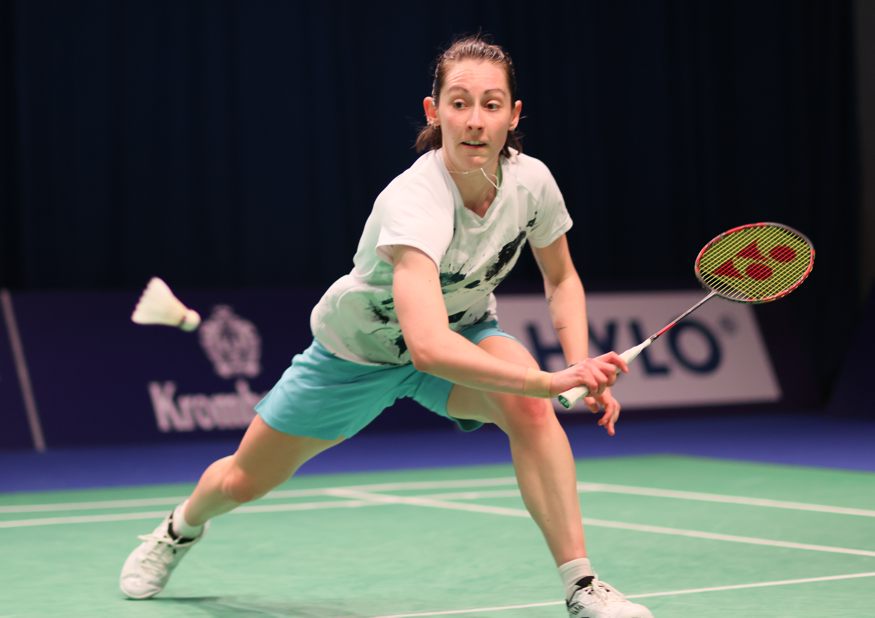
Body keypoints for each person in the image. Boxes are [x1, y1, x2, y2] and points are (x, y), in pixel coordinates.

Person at [120, 35, 654, 618]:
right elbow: (425, 347)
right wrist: (552, 381)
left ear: (513, 114)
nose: (475, 121)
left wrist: (579, 366)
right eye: (459, 102)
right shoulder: (415, 200)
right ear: (434, 111)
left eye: (491, 104)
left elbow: (562, 279)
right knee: (244, 481)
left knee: (526, 406)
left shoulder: (533, 184)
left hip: (468, 331)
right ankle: (179, 528)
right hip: (357, 354)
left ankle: (582, 586)